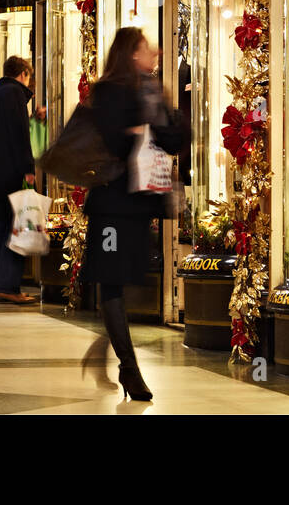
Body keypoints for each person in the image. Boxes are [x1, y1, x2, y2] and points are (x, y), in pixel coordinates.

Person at [82, 27, 189, 401]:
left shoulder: (151, 90)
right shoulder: (109, 91)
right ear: (132, 54)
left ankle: (106, 347)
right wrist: (142, 123)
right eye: (147, 49)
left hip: (140, 206)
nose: (155, 54)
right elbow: (111, 139)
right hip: (111, 205)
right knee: (112, 281)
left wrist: (164, 110)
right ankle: (130, 369)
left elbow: (175, 140)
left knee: (128, 280)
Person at [0, 56, 39, 305]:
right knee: (19, 227)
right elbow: (19, 135)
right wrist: (28, 169)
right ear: (23, 73)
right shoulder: (14, 95)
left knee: (1, 226)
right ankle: (8, 286)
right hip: (13, 173)